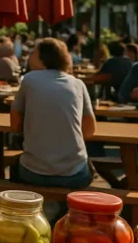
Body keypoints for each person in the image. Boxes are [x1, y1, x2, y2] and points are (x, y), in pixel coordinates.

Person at [11, 38, 95, 189]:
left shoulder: (30, 79)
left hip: (34, 172)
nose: (29, 56)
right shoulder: (77, 84)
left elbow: (15, 125)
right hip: (74, 174)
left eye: (33, 52)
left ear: (43, 57)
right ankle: (60, 210)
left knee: (14, 165)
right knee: (87, 167)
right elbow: (89, 131)